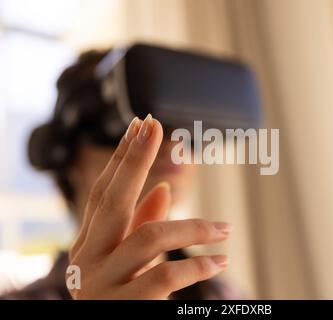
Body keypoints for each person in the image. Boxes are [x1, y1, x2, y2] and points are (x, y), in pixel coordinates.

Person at [2, 50, 235, 300]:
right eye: (128, 124)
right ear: (64, 153)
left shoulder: (219, 294)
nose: (169, 140)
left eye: (183, 125)